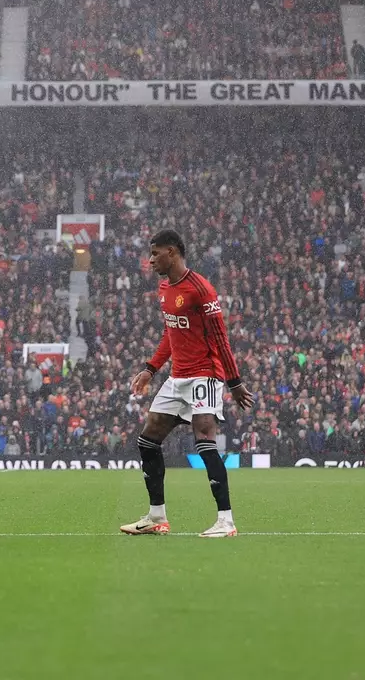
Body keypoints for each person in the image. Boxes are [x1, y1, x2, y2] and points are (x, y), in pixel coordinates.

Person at [121, 229, 255, 539]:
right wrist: (150, 369)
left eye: (156, 253)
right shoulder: (165, 288)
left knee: (204, 438)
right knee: (148, 439)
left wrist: (234, 382)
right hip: (177, 377)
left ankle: (226, 521)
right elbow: (171, 332)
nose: (151, 259)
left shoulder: (200, 289)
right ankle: (156, 517)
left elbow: (220, 337)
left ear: (173, 252)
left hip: (204, 374)